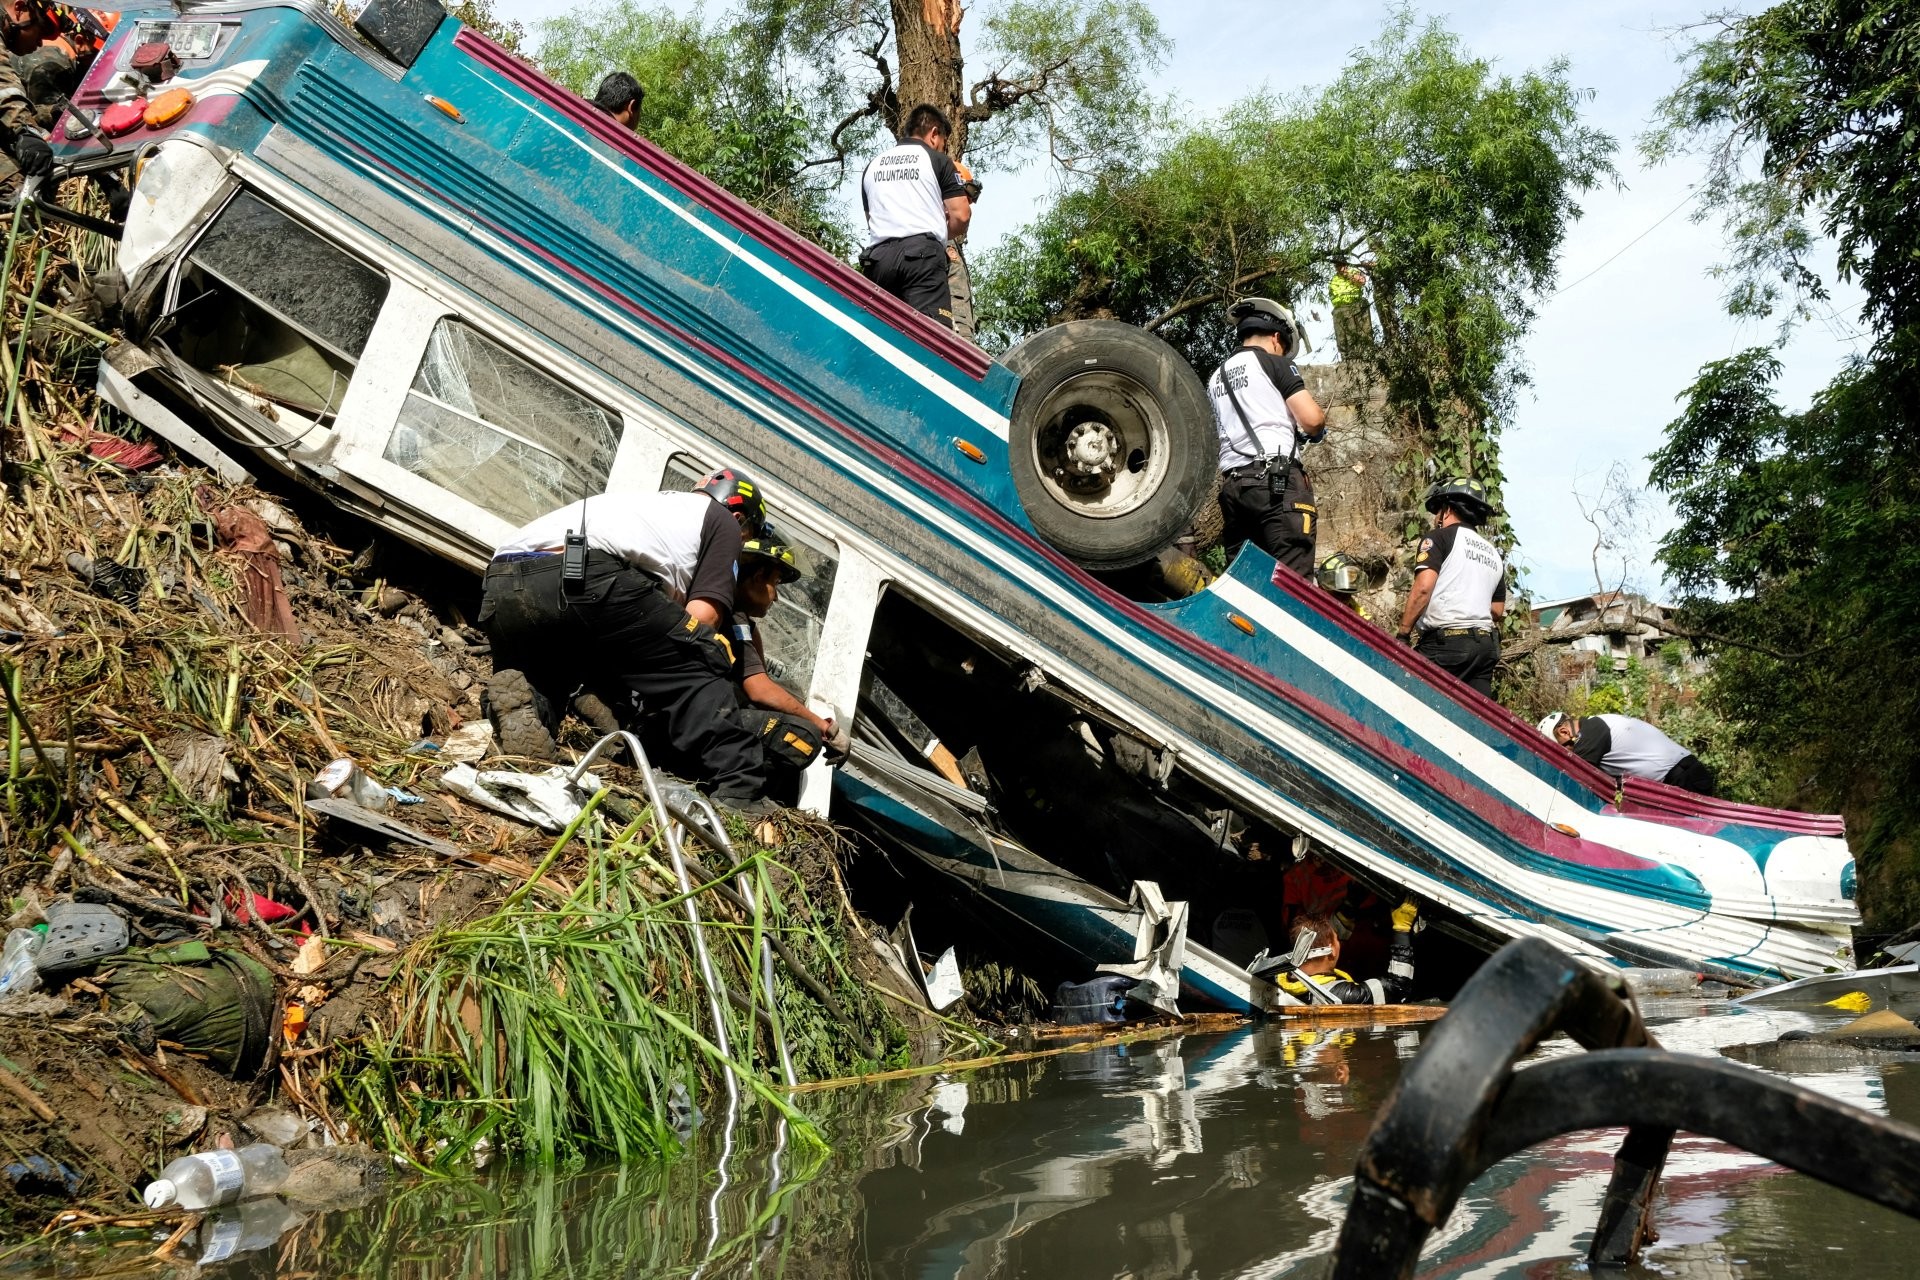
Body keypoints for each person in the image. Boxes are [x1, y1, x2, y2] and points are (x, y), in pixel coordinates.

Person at [477, 469, 774, 813]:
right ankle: (740, 789)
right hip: (589, 576)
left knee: (552, 670)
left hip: (503, 581)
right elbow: (703, 617)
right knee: (701, 653)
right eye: (748, 536)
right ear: (739, 518)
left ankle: (530, 707)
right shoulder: (724, 522)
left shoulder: (642, 504)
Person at [1208, 296, 1328, 578]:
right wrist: (1316, 430)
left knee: (1248, 583)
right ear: (1276, 338)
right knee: (1292, 580)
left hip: (1234, 488)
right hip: (1276, 484)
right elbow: (1312, 420)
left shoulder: (1216, 377)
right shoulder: (1275, 363)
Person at [723, 530, 844, 798]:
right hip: (706, 717)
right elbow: (759, 690)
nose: (776, 597)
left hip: (714, 713)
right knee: (803, 736)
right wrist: (824, 727)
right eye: (775, 583)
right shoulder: (731, 616)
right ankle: (736, 795)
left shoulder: (741, 620)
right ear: (758, 577)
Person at [859, 104, 970, 325]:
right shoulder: (937, 160)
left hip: (879, 262)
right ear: (934, 133)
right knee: (931, 334)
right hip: (922, 260)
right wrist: (938, 228)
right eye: (943, 143)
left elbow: (872, 221)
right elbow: (961, 215)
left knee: (884, 333)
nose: (942, 148)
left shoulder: (872, 166)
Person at [1396, 476, 1506, 697]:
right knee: (1473, 714)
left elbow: (1423, 588)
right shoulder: (1493, 553)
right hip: (1485, 650)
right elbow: (1497, 610)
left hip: (1446, 646)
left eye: (1438, 510)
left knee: (1405, 695)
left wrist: (1403, 634)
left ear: (1447, 510)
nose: (1436, 517)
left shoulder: (1439, 538)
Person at [1538, 711, 1718, 796]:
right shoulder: (1597, 725)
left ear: (1564, 732)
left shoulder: (1591, 733)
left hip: (1684, 780)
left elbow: (1573, 781)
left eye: (1563, 750)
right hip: (1682, 777)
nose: (1569, 754)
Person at [1276, 900, 1419, 1005]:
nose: (1340, 942)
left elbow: (1328, 935)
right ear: (1332, 950)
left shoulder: (1278, 982)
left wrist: (1350, 904)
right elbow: (1397, 989)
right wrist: (1402, 930)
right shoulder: (1341, 996)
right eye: (1337, 939)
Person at [945, 159, 982, 343]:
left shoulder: (948, 240)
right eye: (966, 196)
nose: (968, 204)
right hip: (951, 337)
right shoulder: (935, 240)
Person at [1329, 264, 1372, 355]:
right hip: (1340, 308)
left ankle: (1366, 354)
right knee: (1344, 336)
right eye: (1337, 266)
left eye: (1341, 265)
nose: (1340, 268)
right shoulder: (1334, 279)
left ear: (1346, 265)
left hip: (1355, 305)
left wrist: (1348, 275)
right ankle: (1347, 357)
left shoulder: (1353, 272)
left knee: (1362, 333)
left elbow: (1362, 281)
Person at [1317, 552, 1370, 620]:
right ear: (1322, 588)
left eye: (1348, 594)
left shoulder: (1355, 610)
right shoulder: (1311, 603)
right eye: (1338, 594)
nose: (1343, 599)